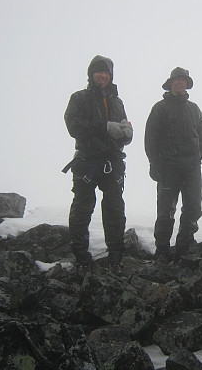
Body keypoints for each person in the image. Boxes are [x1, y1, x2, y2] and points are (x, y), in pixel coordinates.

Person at [63, 55, 133, 274]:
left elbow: (121, 132)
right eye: (98, 71)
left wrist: (126, 135)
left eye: (106, 72)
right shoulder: (79, 98)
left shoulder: (117, 102)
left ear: (111, 76)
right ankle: (82, 259)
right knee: (83, 208)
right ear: (91, 74)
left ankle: (115, 259)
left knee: (114, 209)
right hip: (87, 161)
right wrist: (104, 126)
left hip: (113, 162)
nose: (102, 75)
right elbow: (73, 126)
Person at [145, 67, 202, 261]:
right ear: (170, 84)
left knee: (193, 208)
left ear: (187, 84)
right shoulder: (159, 108)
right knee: (165, 210)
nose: (179, 83)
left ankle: (184, 246)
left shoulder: (194, 109)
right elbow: (150, 139)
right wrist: (154, 164)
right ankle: (162, 249)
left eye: (183, 80)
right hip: (168, 168)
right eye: (176, 80)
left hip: (192, 168)